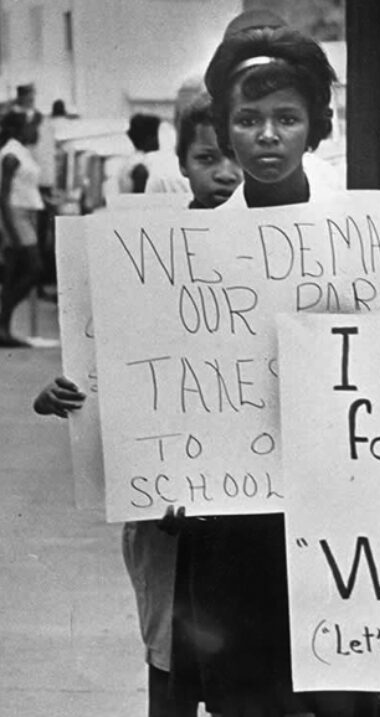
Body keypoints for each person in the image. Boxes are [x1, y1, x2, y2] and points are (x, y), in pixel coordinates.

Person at [31, 90, 242, 717]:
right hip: (164, 516)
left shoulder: (293, 252)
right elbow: (104, 358)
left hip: (253, 517)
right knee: (170, 661)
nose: (225, 172)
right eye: (208, 157)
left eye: (234, 156)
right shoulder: (142, 249)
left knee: (245, 667)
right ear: (182, 162)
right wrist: (62, 395)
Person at [167, 18, 344, 717]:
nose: (267, 136)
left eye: (287, 118)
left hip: (338, 523)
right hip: (235, 532)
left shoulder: (364, 238)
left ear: (314, 127)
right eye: (248, 119)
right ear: (225, 126)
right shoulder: (184, 250)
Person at [0, 110, 44, 347]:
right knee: (34, 268)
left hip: (24, 214)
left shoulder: (21, 151)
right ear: (19, 129)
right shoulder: (11, 155)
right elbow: (3, 195)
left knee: (14, 274)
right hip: (15, 214)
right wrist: (11, 230)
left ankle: (3, 327)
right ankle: (2, 319)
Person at [175, 91, 242, 208]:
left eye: (241, 158)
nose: (225, 175)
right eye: (207, 158)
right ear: (182, 163)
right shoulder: (163, 225)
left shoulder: (278, 222)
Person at [117, 113, 161, 194]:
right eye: (156, 135)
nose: (159, 140)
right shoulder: (140, 166)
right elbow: (140, 199)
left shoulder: (131, 161)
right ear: (148, 138)